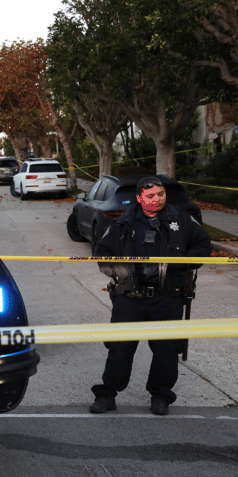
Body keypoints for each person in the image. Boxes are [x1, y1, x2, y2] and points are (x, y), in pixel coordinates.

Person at [89, 176, 211, 416]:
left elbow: (203, 247)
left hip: (168, 297)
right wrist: (122, 273)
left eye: (161, 194)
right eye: (151, 196)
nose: (158, 199)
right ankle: (108, 395)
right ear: (139, 198)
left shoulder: (181, 220)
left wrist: (183, 263)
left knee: (166, 350)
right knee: (119, 347)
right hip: (130, 297)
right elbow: (102, 253)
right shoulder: (124, 222)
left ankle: (160, 395)